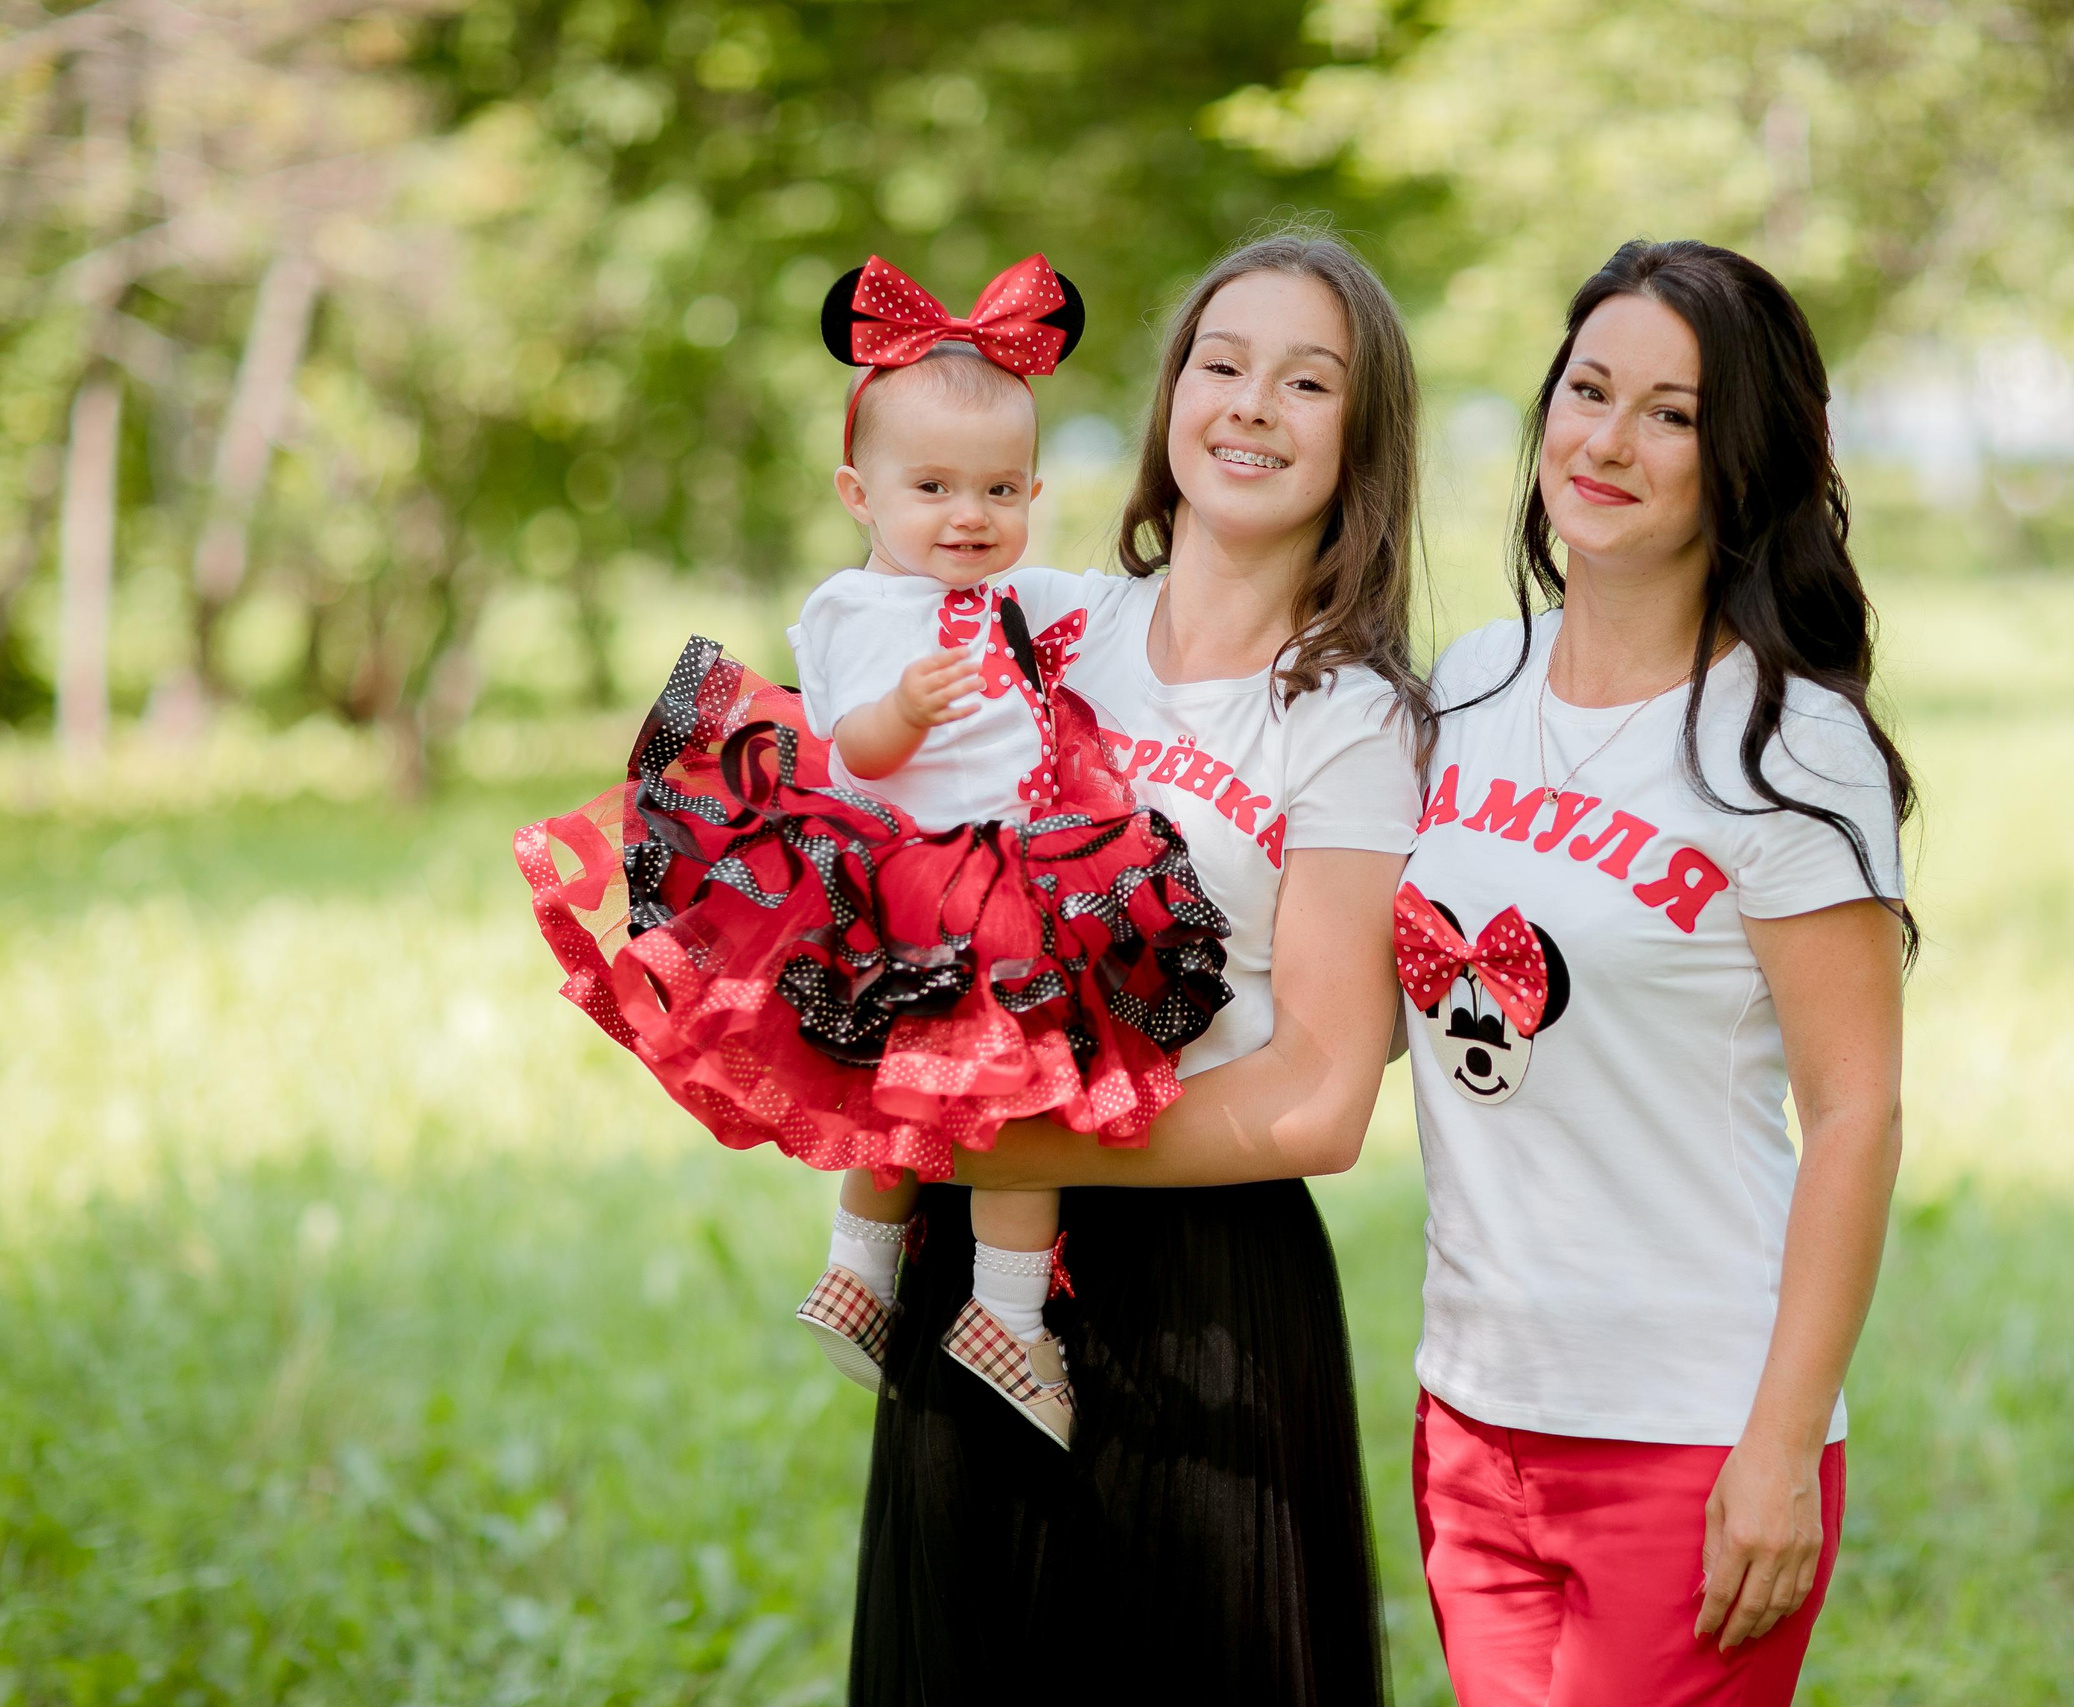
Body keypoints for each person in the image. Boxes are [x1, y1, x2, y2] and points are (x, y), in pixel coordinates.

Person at [517, 253, 1234, 1450]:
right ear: (860, 493)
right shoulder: (857, 608)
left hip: (1008, 871)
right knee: (1000, 1098)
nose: (968, 516)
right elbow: (852, 749)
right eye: (933, 488)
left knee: (953, 1093)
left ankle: (892, 1289)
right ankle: (956, 1298)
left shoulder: (1015, 592)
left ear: (1034, 492)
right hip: (921, 876)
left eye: (999, 490)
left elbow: (1121, 614)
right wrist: (904, 707)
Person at [846, 229, 1424, 1707]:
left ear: (1360, 441)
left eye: (1308, 381)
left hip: (1205, 1282)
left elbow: (1322, 1099)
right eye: (1222, 363)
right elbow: (863, 786)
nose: (1252, 404)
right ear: (1171, 397)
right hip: (973, 1260)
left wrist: (989, 1137)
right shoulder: (1045, 620)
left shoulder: (1349, 718)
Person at [1399, 240, 1914, 1706]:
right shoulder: (1468, 686)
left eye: (1671, 414)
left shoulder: (1788, 746)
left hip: (1689, 1429)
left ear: (1741, 460)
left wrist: (1781, 1444)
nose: (1608, 441)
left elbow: (1857, 1113)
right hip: (1471, 1410)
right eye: (1588, 390)